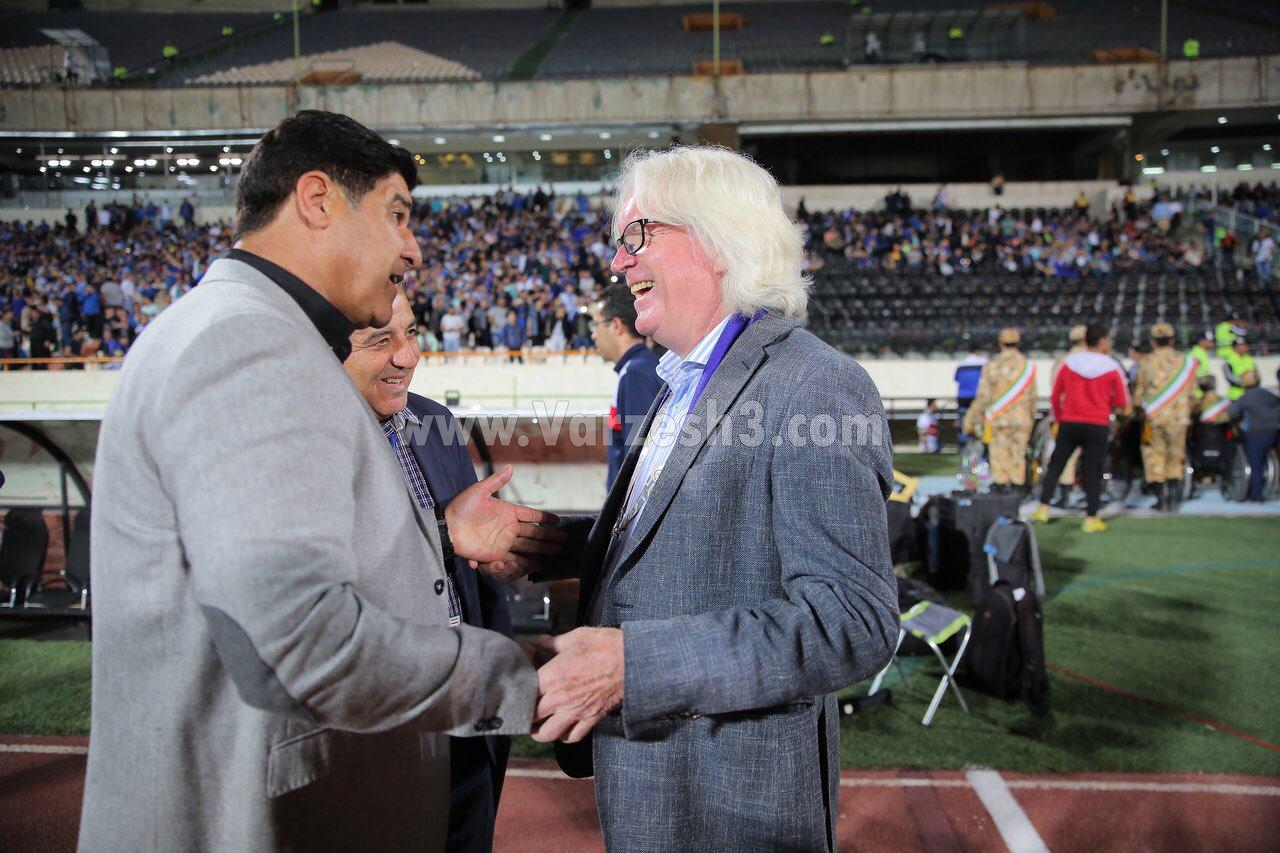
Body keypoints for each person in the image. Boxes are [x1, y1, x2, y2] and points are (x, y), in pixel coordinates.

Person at [79, 110, 558, 851]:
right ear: (317, 200)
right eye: (397, 214)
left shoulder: (244, 329)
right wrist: (529, 677)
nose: (412, 248)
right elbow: (304, 638)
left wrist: (435, 536)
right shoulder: (249, 341)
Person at [505, 147, 898, 851]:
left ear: (717, 240)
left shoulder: (814, 385)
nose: (618, 263)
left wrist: (636, 666)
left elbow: (853, 620)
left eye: (637, 235)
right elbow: (679, 536)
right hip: (660, 786)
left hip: (734, 804)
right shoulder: (684, 380)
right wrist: (540, 540)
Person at [343, 288, 521, 853]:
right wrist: (443, 533)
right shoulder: (301, 441)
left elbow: (472, 581)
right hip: (375, 730)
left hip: (465, 716)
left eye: (412, 332)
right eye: (380, 340)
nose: (407, 356)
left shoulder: (435, 421)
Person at [1032, 324, 1131, 532]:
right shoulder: (1111, 366)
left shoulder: (1069, 363)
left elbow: (1055, 394)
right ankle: (1091, 518)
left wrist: (1061, 418)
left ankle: (1043, 508)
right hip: (1097, 424)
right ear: (1103, 341)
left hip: (1070, 422)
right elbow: (1122, 400)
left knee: (1056, 465)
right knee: (1093, 470)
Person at [592, 282, 662, 489]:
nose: (593, 335)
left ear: (616, 325)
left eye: (595, 325)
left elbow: (639, 460)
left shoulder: (635, 374)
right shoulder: (641, 367)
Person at [962, 328, 1036, 494]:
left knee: (999, 457)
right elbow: (1033, 397)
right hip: (1022, 420)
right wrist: (1031, 418)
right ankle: (1017, 491)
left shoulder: (992, 366)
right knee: (1018, 456)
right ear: (1018, 343)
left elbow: (983, 397)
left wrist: (973, 419)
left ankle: (1002, 492)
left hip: (999, 419)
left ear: (1000, 343)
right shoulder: (1028, 366)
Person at [1133, 323, 1197, 511]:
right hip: (1179, 420)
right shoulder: (1186, 362)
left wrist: (1137, 411)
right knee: (1176, 458)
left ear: (1153, 342)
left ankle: (1161, 500)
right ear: (1172, 341)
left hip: (1154, 419)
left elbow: (1138, 394)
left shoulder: (1145, 362)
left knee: (1154, 457)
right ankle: (1174, 500)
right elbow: (1193, 395)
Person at [1046, 324, 1088, 507]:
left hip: (1068, 416)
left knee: (1066, 458)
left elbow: (1055, 390)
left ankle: (1064, 497)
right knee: (1092, 457)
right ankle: (1092, 495)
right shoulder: (1100, 360)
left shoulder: (1062, 361)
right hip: (1094, 416)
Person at [1228, 370, 1280, 502]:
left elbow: (1232, 412)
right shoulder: (1269, 394)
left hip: (1256, 433)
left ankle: (1255, 494)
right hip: (1273, 432)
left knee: (1255, 463)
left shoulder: (1247, 397)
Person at [953, 342, 987, 450]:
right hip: (978, 398)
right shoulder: (984, 362)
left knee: (963, 422)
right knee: (980, 422)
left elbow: (956, 379)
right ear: (978, 351)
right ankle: (980, 447)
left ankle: (963, 448)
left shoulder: (961, 364)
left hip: (963, 398)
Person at [1224, 334, 1257, 401]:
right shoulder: (1229, 360)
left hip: (1251, 395)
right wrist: (1246, 382)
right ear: (1236, 347)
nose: (1246, 347)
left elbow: (1257, 375)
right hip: (1235, 396)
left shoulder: (1249, 359)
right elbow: (1229, 377)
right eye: (1243, 345)